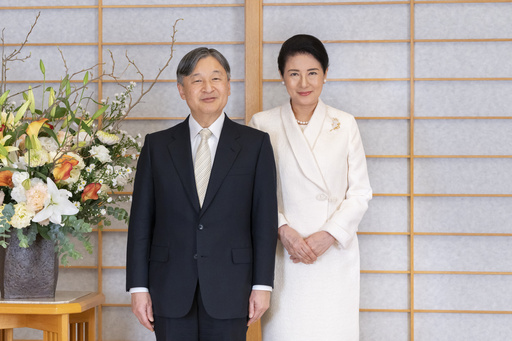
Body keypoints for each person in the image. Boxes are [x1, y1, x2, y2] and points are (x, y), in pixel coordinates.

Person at [126, 47, 278, 341]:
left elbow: (264, 220)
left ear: (229, 86)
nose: (208, 88)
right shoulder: (157, 146)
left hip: (232, 288)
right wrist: (138, 287)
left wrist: (262, 285)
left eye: (216, 78)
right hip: (169, 288)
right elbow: (141, 221)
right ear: (182, 90)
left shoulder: (255, 145)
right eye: (197, 80)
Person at [249, 34, 372, 340]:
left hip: (333, 253)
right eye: (294, 73)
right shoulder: (263, 123)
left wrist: (329, 234)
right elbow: (252, 193)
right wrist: (283, 229)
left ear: (325, 74)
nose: (304, 82)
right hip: (282, 252)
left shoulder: (345, 124)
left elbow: (360, 192)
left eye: (312, 72)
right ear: (282, 77)